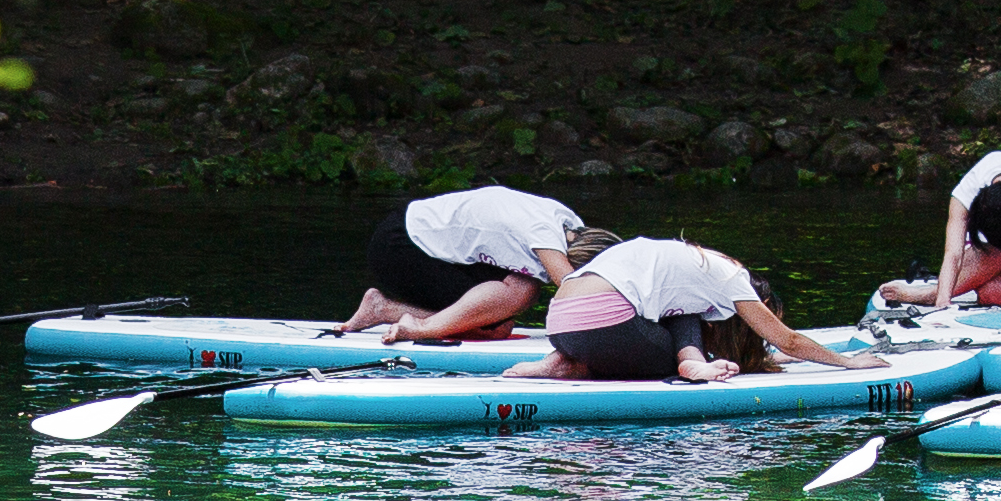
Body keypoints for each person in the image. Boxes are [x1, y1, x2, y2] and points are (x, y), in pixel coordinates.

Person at [539, 236, 861, 381]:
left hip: (559, 324)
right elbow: (786, 340)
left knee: (680, 311)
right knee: (677, 349)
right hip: (608, 323)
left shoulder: (686, 264)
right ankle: (580, 368)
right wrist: (847, 362)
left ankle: (560, 360)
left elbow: (780, 350)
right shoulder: (731, 278)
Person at [333, 185, 587, 342]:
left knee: (516, 302)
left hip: (417, 232)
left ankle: (386, 310)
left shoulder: (570, 223)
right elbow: (577, 293)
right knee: (497, 323)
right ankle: (409, 322)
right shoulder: (544, 234)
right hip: (400, 247)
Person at [876, 150, 1001, 311]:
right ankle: (940, 293)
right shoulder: (969, 189)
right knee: (999, 292)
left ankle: (928, 293)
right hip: (987, 264)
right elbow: (953, 254)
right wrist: (942, 302)